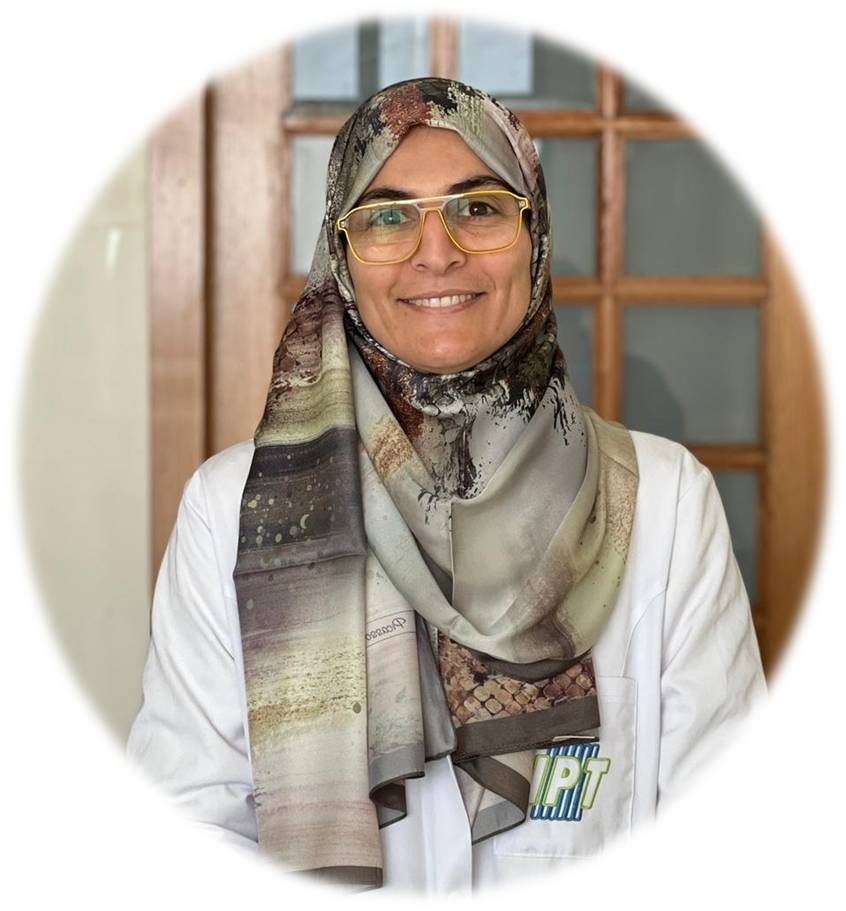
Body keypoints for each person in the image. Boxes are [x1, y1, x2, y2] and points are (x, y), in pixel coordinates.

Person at [126, 77, 766, 893]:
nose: (437, 252)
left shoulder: (664, 502)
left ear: (534, 235)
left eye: (480, 207)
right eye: (387, 216)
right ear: (341, 257)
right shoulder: (234, 511)